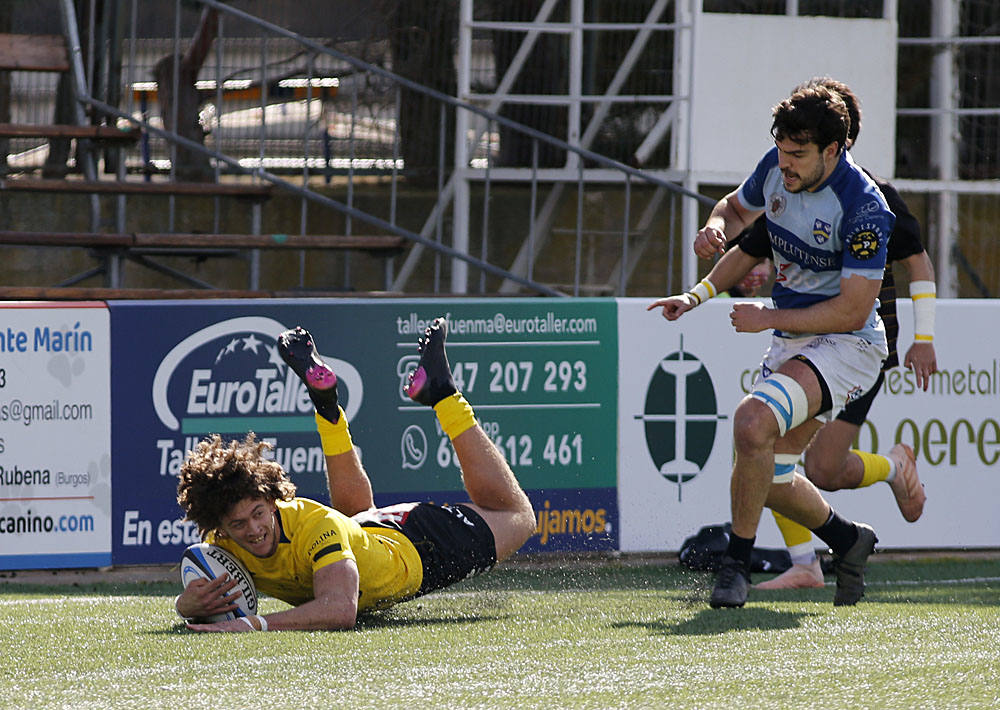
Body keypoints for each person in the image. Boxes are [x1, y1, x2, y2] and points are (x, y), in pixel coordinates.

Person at [649, 82, 893, 608]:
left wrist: (768, 316)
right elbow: (736, 213)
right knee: (771, 474)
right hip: (795, 339)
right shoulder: (778, 166)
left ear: (834, 150)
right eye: (781, 151)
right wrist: (713, 229)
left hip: (850, 345)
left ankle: (735, 565)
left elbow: (853, 308)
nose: (784, 165)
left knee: (751, 422)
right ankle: (849, 541)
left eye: (797, 155)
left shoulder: (866, 209)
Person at [174, 317, 536, 631]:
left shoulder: (313, 524)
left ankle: (443, 393)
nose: (252, 530)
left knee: (518, 517)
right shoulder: (224, 549)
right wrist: (186, 605)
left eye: (257, 514)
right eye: (238, 525)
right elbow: (199, 599)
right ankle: (326, 405)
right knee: (351, 517)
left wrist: (254, 624)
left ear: (272, 501)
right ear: (219, 526)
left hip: (419, 547)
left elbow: (340, 609)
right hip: (364, 532)